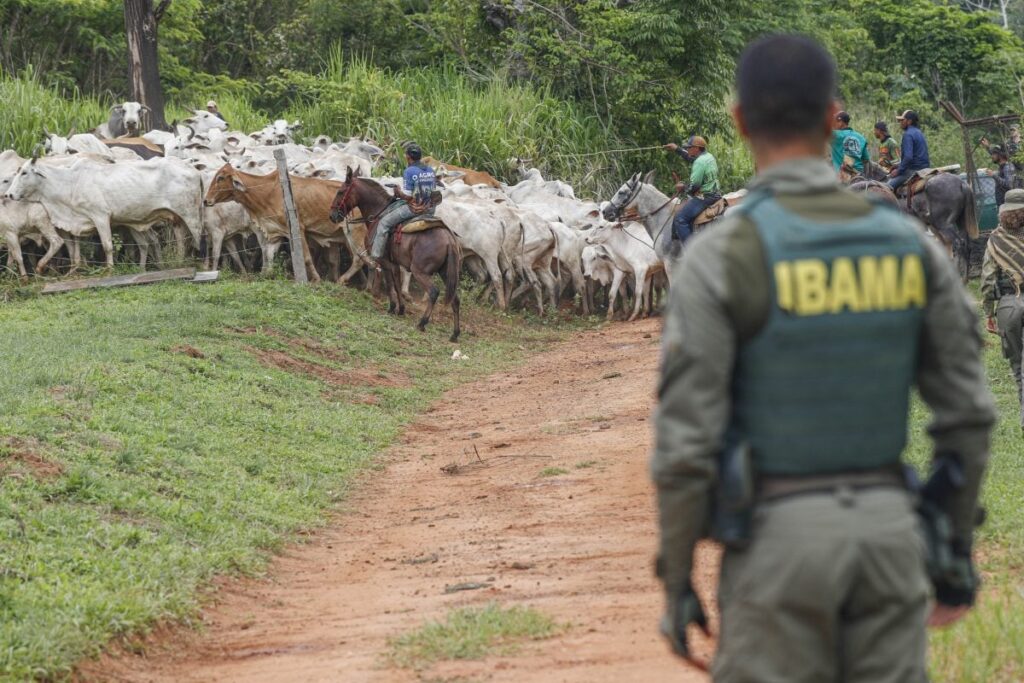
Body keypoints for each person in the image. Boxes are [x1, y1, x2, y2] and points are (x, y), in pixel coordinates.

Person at [653, 34, 994, 683]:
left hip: (773, 549)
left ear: (740, 121)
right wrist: (950, 550)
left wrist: (676, 578)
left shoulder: (719, 259)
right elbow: (970, 417)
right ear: (834, 116)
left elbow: (684, 443)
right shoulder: (911, 248)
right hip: (888, 539)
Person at [981, 188, 1024, 430]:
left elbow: (987, 281)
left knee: (1018, 365)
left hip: (1009, 305)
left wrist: (988, 312)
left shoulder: (996, 239)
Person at [366, 143, 437, 268]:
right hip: (430, 208)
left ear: (408, 157)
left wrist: (398, 192)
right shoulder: (430, 170)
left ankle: (375, 258)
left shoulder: (409, 171)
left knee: (384, 222)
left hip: (414, 209)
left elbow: (408, 197)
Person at [662, 136, 721, 248]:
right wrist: (677, 149)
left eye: (689, 147)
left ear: (697, 148)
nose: (688, 149)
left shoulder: (699, 162)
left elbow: (695, 186)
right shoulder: (708, 156)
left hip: (705, 197)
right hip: (715, 193)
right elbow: (691, 158)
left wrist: (682, 187)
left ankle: (692, 252)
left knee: (680, 219)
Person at [888, 109, 931, 192]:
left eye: (902, 120)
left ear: (909, 121)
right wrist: (899, 165)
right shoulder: (919, 132)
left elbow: (908, 157)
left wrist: (898, 171)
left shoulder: (908, 134)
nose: (900, 123)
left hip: (913, 170)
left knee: (886, 187)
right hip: (925, 168)